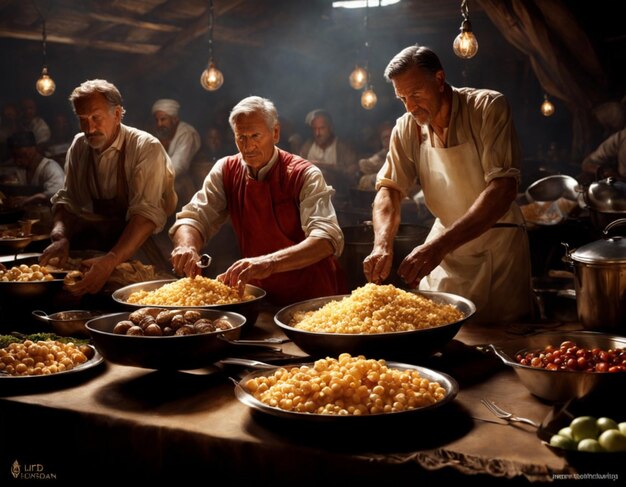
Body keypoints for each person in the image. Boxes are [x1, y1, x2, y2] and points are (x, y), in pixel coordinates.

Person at [363, 45, 532, 323]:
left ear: (439, 80)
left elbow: (503, 187)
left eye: (416, 94)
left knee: (498, 337)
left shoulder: (487, 107)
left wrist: (440, 246)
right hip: (444, 250)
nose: (410, 106)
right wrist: (382, 244)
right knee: (439, 328)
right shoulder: (407, 127)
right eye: (402, 98)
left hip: (496, 246)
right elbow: (389, 188)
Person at [170, 96, 345, 305]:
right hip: (260, 297)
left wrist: (268, 263)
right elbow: (194, 217)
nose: (248, 146)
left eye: (255, 136)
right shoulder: (226, 170)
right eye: (240, 137)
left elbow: (326, 239)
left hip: (312, 296)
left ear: (275, 133)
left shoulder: (304, 174)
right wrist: (187, 246)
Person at [40, 79, 177, 295]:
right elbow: (68, 200)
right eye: (82, 119)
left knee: (143, 300)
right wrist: (60, 235)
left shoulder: (145, 147)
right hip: (104, 245)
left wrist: (111, 260)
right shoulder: (79, 146)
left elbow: (145, 216)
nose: (89, 128)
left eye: (96, 118)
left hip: (144, 243)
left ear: (117, 114)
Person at [300, 109, 358, 201]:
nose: (317, 133)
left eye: (322, 128)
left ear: (330, 128)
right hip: (309, 196)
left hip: (336, 197)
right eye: (315, 129)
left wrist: (327, 167)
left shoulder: (342, 146)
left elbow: (352, 171)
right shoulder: (307, 146)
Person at [152, 98, 201, 207]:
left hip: (189, 185)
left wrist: (153, 180)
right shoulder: (162, 134)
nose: (159, 124)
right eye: (157, 120)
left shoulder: (187, 133)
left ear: (174, 119)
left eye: (163, 119)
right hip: (166, 182)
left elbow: (179, 166)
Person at [6, 130, 64, 207]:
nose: (17, 162)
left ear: (30, 152)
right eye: (15, 157)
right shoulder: (21, 169)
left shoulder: (51, 168)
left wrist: (27, 200)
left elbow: (57, 194)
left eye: (19, 156)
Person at [357, 121, 393, 191]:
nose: (388, 140)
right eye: (385, 137)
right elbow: (364, 167)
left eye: (390, 136)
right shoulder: (378, 158)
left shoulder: (404, 154)